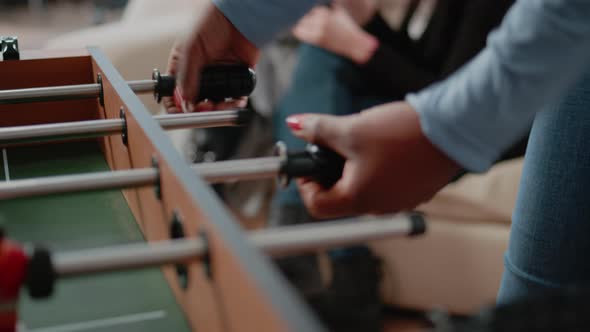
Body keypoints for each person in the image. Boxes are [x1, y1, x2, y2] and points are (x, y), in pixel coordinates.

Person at [172, 0, 590, 320]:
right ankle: (331, 260)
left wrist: (361, 43)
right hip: (453, 98)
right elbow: (428, 70)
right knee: (322, 60)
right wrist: (240, 13)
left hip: (507, 129)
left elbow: (445, 87)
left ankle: (316, 248)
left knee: (535, 293)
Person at [269, 1, 518, 330]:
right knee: (326, 67)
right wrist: (369, 24)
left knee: (325, 64)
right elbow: (427, 69)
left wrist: (359, 45)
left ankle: (302, 245)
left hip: (479, 135)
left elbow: (457, 105)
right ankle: (345, 274)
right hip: (443, 115)